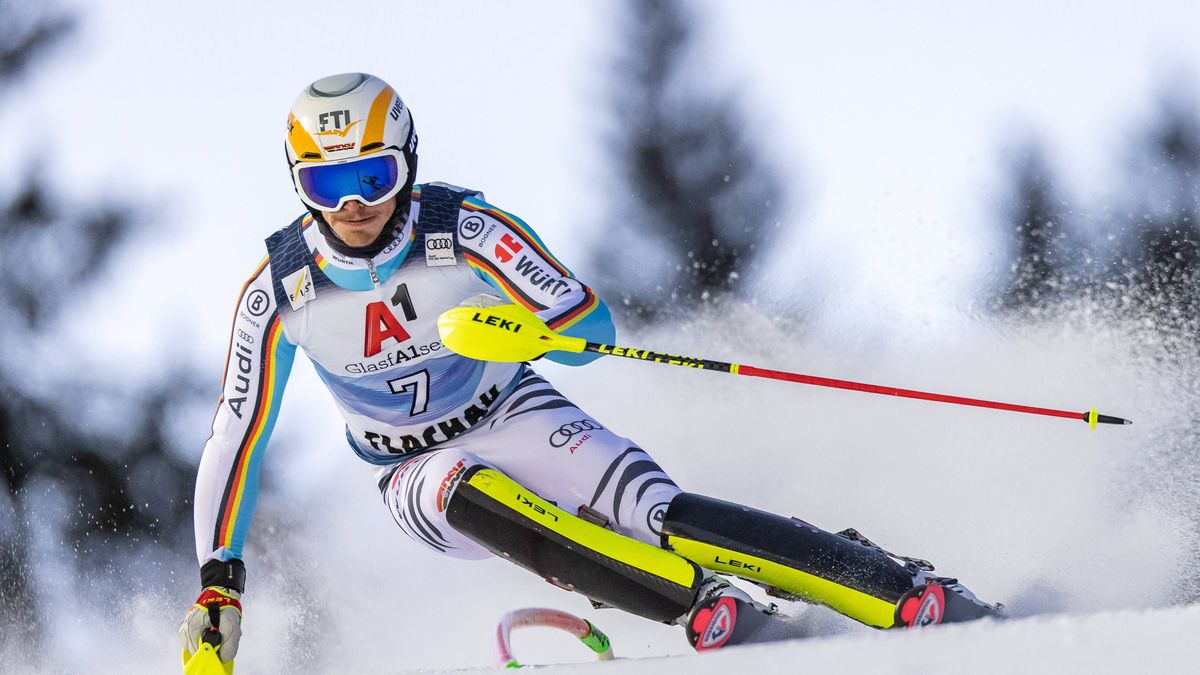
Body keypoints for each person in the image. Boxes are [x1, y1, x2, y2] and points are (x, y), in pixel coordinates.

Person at [179, 72, 1001, 665]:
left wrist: (525, 335)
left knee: (660, 512)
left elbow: (590, 326)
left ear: (406, 163)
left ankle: (890, 584)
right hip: (412, 468)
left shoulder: (465, 229)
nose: (351, 205)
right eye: (326, 183)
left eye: (371, 176)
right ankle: (700, 603)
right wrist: (221, 580)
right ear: (298, 183)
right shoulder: (279, 291)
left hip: (517, 409)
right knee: (459, 486)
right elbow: (236, 436)